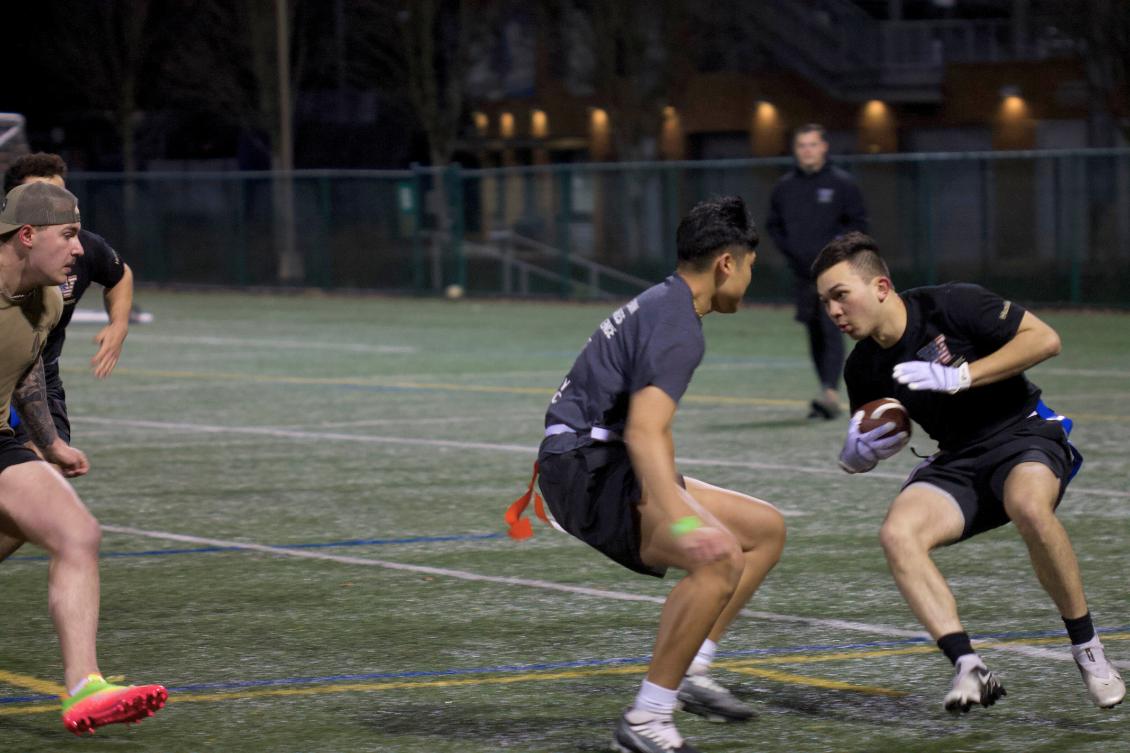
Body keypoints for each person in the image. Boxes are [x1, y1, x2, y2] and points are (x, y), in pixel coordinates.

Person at [507, 196, 787, 753]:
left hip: (584, 459)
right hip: (586, 470)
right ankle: (647, 720)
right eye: (750, 266)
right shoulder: (679, 323)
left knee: (763, 530)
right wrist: (685, 524)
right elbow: (644, 432)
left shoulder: (664, 302)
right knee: (718, 559)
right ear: (726, 264)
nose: (750, 280)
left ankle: (689, 668)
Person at [812, 231, 1125, 713]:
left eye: (840, 296)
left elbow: (1046, 339)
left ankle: (1087, 647)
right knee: (898, 534)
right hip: (957, 458)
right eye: (825, 302)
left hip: (1022, 432)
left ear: (880, 286)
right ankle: (968, 665)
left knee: (1028, 507)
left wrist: (963, 375)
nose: (833, 311)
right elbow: (882, 430)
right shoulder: (863, 368)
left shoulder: (952, 304)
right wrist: (857, 456)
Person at [0, 182, 167, 734]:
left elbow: (25, 377)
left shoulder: (46, 298)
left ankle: (84, 689)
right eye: (68, 236)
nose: (80, 250)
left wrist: (50, 445)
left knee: (78, 533)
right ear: (27, 236)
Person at [0, 153, 139, 562]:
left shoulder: (75, 254)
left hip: (34, 378)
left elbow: (120, 273)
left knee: (44, 488)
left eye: (60, 194)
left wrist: (119, 325)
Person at [766, 124, 868, 420]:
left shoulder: (842, 184)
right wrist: (791, 252)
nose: (807, 151)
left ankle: (830, 392)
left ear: (824, 147)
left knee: (831, 326)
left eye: (812, 145)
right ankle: (825, 386)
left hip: (835, 274)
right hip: (802, 273)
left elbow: (858, 223)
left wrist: (838, 253)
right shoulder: (784, 187)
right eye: (802, 145)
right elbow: (774, 226)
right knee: (813, 329)